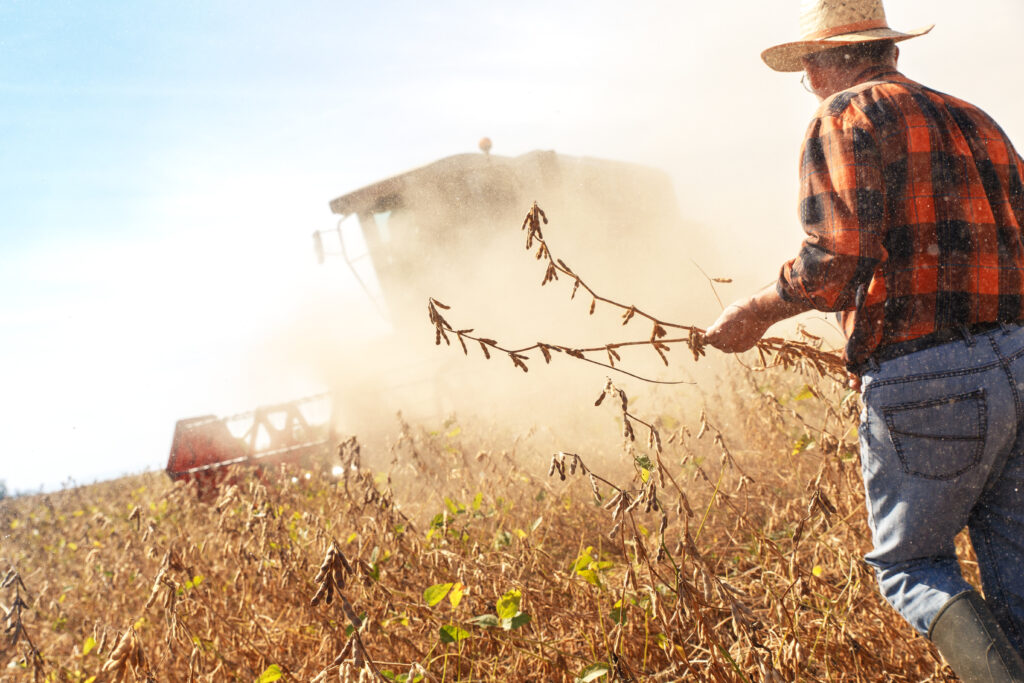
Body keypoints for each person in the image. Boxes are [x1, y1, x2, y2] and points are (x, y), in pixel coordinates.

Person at [705, 1, 1024, 680]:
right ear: (889, 50)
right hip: (1019, 360)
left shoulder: (845, 115)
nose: (810, 79)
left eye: (810, 65)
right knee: (1016, 560)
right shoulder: (978, 120)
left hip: (926, 377)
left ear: (832, 60)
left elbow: (835, 259)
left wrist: (756, 313)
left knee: (912, 563)